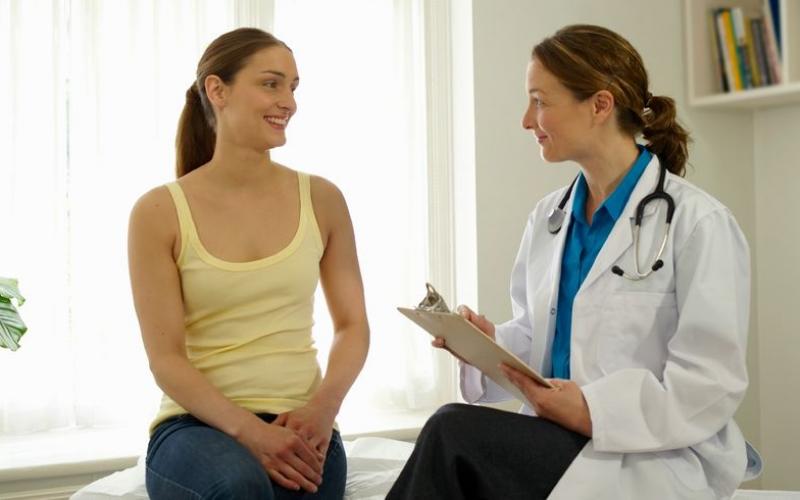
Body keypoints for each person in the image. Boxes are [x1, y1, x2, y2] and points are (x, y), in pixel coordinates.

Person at [387, 24, 752, 500]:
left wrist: (591, 410)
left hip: (652, 455)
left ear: (600, 105)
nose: (526, 120)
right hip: (558, 440)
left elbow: (710, 384)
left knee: (451, 431)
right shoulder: (550, 218)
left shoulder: (699, 223)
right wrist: (489, 344)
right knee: (454, 445)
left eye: (539, 101)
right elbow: (542, 340)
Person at [128, 27, 369, 499]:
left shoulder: (322, 200)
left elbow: (353, 326)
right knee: (239, 485)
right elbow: (166, 358)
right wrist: (251, 432)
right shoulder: (158, 212)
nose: (289, 102)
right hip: (195, 427)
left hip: (303, 425)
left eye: (293, 87)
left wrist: (323, 411)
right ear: (217, 90)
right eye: (271, 84)